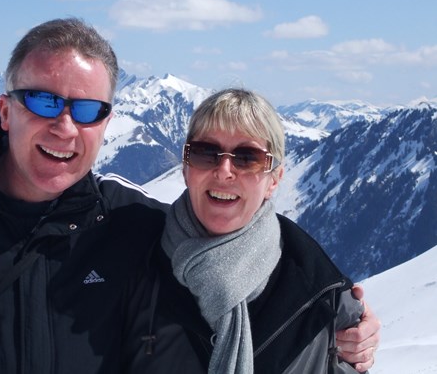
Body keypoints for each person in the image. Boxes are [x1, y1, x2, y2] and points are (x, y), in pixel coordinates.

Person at [0, 18, 378, 373]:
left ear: (106, 122)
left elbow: (234, 245)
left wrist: (341, 314)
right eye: (43, 100)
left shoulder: (132, 222)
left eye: (86, 109)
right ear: (5, 110)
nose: (64, 126)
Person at [124, 88, 379, 373]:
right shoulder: (132, 260)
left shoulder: (322, 297)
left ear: (274, 180)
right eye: (206, 153)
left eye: (247, 158)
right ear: (185, 168)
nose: (224, 171)